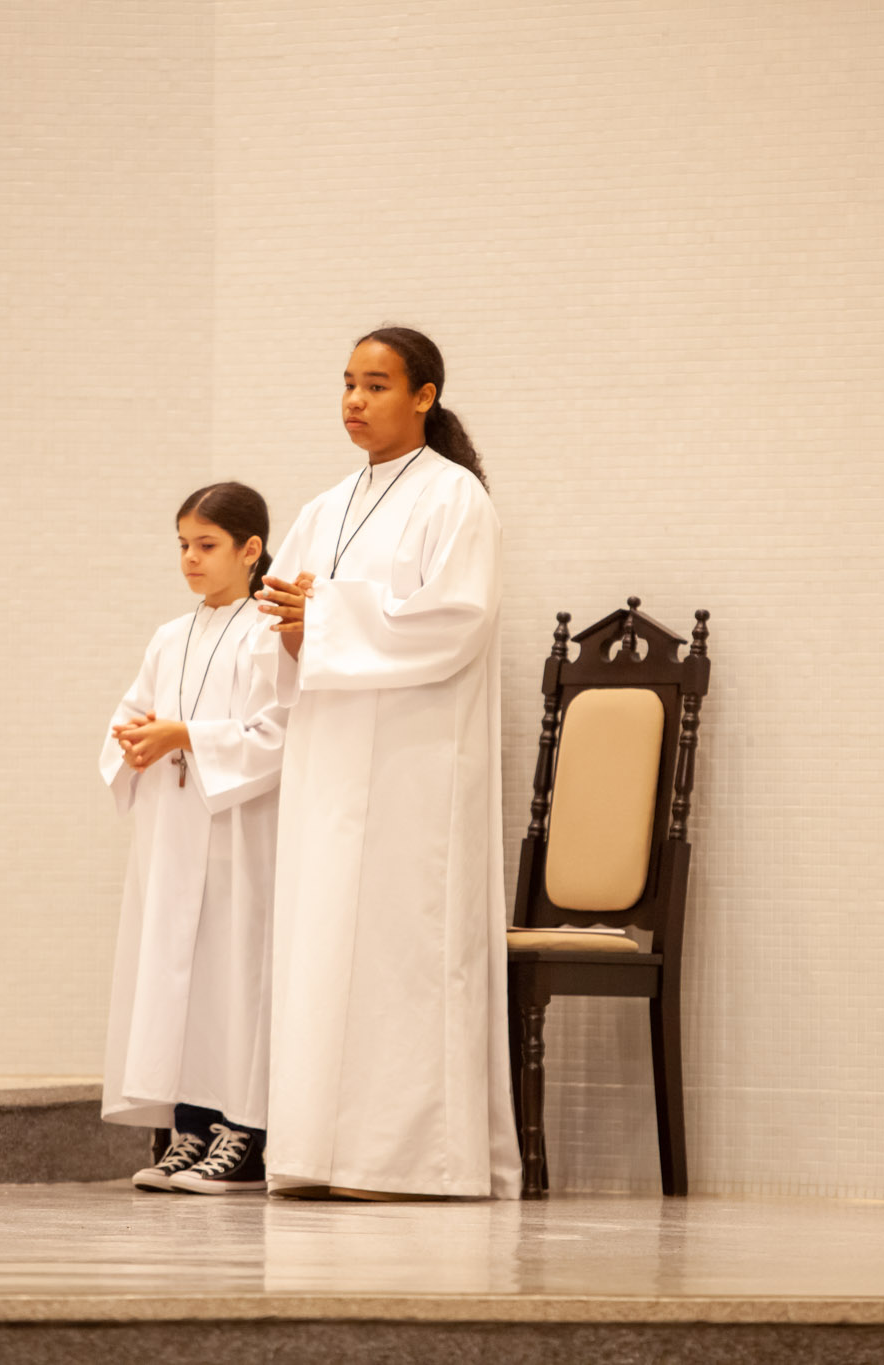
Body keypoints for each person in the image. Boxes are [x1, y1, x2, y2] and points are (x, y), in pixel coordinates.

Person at [254, 326, 520, 1200]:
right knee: (324, 944)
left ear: (425, 396)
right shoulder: (325, 508)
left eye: (376, 385)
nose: (355, 401)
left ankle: (408, 1159)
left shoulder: (456, 499)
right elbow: (283, 623)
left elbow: (456, 621)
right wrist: (294, 628)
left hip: (416, 766)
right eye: (347, 384)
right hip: (330, 762)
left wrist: (325, 619)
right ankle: (317, 1151)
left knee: (403, 951)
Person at [101, 482, 286, 1195]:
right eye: (182, 544)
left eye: (206, 545)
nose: (190, 559)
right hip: (174, 834)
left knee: (232, 976)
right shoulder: (169, 637)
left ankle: (245, 1131)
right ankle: (191, 1125)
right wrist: (134, 740)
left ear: (251, 549)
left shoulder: (271, 632)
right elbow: (131, 714)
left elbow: (277, 733)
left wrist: (186, 737)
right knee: (177, 977)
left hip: (239, 832)